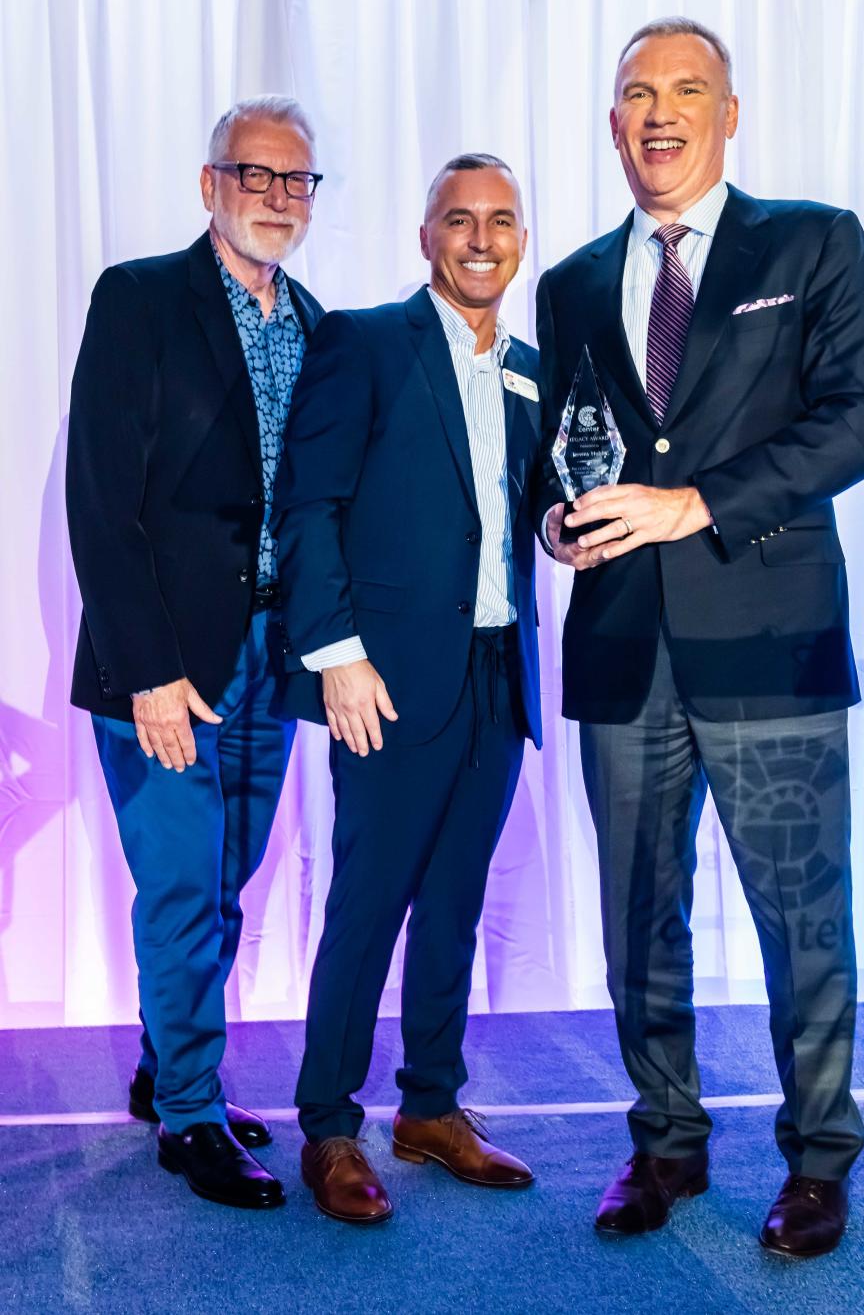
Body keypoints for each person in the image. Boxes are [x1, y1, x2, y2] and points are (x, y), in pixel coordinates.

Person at [535, 18, 864, 1256]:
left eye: (686, 89)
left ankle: (819, 1161)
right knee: (640, 919)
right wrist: (557, 522)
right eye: (636, 92)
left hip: (773, 641)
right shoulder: (574, 279)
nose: (659, 111)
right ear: (614, 118)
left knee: (805, 916)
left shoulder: (813, 240)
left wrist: (699, 503)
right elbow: (568, 451)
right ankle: (665, 1145)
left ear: (729, 113)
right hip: (624, 650)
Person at [66, 95, 323, 1209]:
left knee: (226, 881)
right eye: (253, 175)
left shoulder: (313, 319)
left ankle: (168, 1068)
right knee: (179, 887)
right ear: (209, 184)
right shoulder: (140, 299)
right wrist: (148, 671)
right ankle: (188, 1118)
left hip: (269, 654)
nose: (275, 197)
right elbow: (99, 500)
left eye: (294, 181)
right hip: (166, 662)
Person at [274, 154, 542, 1223]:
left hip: (493, 674)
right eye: (459, 220)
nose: (481, 238)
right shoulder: (367, 342)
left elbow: (520, 514)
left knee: (457, 906)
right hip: (383, 681)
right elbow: (309, 506)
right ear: (427, 236)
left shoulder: (528, 366)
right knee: (368, 905)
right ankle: (329, 1126)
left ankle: (431, 1107)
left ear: (521, 239)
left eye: (501, 221)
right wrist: (337, 653)